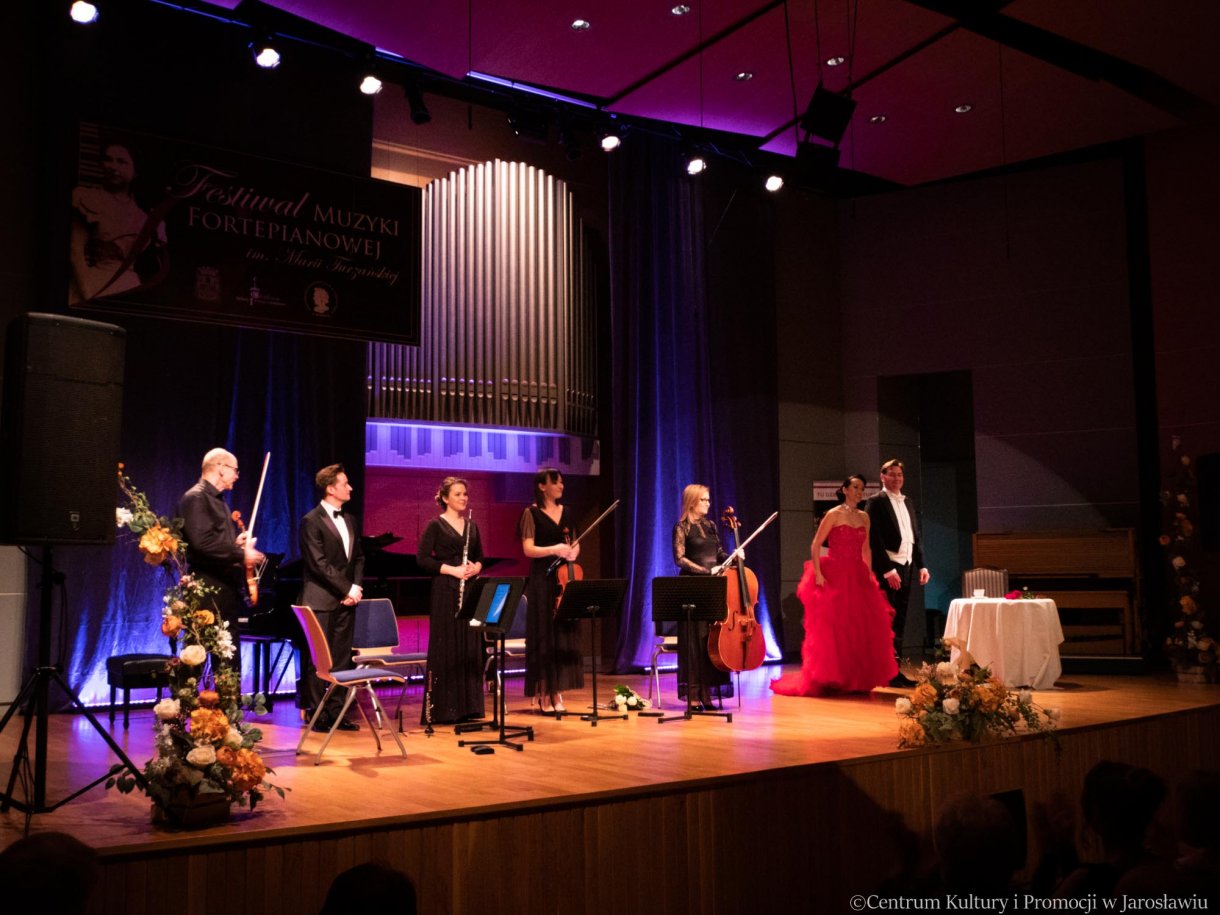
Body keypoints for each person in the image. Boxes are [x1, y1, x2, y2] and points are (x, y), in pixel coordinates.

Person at [770, 474, 897, 696]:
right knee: (835, 627)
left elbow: (866, 548)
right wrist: (818, 572)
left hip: (857, 574)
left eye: (862, 488)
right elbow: (816, 543)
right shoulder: (833, 514)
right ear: (845, 489)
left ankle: (855, 677)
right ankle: (832, 677)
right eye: (855, 487)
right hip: (836, 572)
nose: (859, 492)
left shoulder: (864, 517)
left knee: (858, 627)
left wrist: (868, 573)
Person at [178, 448, 264, 678]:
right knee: (196, 657)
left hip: (223, 590)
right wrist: (241, 555)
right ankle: (185, 711)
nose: (237, 476)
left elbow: (214, 544)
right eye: (235, 470)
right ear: (221, 468)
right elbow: (201, 544)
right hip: (207, 591)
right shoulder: (195, 498)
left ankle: (228, 712)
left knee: (227, 659)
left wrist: (236, 545)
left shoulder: (219, 502)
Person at [298, 463, 364, 732]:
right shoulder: (311, 521)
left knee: (341, 658)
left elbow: (358, 557)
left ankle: (337, 712)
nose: (350, 487)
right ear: (330, 488)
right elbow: (318, 563)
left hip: (346, 600)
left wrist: (355, 589)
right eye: (345, 483)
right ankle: (317, 713)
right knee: (317, 660)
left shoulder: (350, 519)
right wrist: (347, 588)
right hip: (319, 600)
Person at [416, 476, 485, 724]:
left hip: (469, 590)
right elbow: (422, 559)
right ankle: (444, 710)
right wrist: (452, 570)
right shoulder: (435, 525)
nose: (463, 498)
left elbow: (480, 557)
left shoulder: (472, 526)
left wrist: (476, 568)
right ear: (445, 498)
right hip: (445, 589)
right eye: (457, 494)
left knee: (469, 645)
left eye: (465, 494)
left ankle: (470, 708)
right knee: (447, 646)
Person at [518, 468, 584, 714]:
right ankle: (546, 692)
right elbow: (528, 549)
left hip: (563, 579)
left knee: (561, 634)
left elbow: (574, 543)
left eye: (562, 482)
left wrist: (571, 553)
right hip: (541, 579)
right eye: (556, 482)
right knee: (544, 635)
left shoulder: (567, 512)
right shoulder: (530, 513)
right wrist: (554, 549)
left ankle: (558, 691)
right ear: (542, 486)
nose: (561, 486)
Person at [68, 140, 166, 304]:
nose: (113, 167)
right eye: (108, 159)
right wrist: (89, 294)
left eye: (121, 162)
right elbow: (75, 251)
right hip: (92, 284)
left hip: (129, 287)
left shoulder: (144, 217)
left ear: (135, 171)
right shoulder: (89, 199)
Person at [865, 459, 929, 687]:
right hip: (890, 568)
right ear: (882, 477)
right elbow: (873, 539)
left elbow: (915, 536)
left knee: (899, 619)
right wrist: (887, 569)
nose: (897, 479)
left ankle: (895, 670)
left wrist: (922, 565)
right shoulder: (875, 502)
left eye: (900, 475)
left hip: (908, 565)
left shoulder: (908, 501)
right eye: (892, 475)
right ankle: (885, 671)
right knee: (887, 620)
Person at [671, 483, 733, 710]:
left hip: (712, 588)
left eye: (708, 499)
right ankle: (694, 695)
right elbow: (679, 559)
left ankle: (708, 694)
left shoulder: (711, 525)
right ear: (692, 502)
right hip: (692, 588)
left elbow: (717, 553)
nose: (708, 503)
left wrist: (732, 557)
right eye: (704, 500)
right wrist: (707, 571)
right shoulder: (682, 527)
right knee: (693, 642)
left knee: (710, 640)